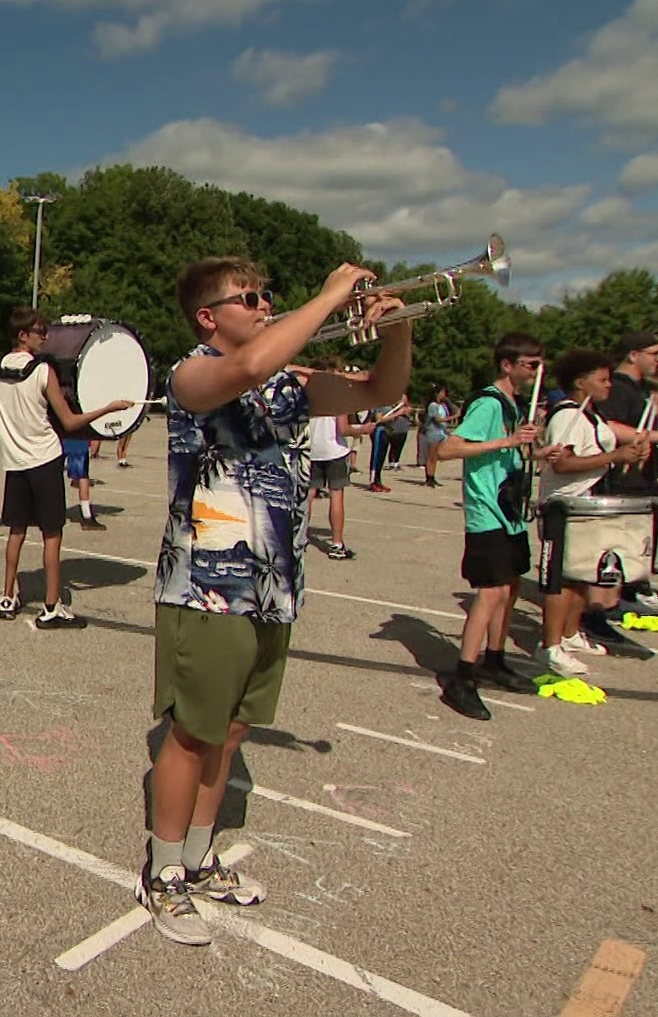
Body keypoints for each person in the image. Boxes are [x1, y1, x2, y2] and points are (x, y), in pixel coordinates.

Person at [142, 257, 411, 945]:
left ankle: (200, 862)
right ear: (209, 316)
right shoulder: (192, 373)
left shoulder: (287, 385)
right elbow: (246, 368)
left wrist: (396, 327)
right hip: (206, 585)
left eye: (269, 297)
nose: (266, 306)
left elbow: (382, 388)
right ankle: (163, 873)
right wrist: (325, 299)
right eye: (252, 298)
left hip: (273, 585)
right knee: (193, 732)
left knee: (231, 730)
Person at [433, 333, 556, 720]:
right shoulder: (487, 403)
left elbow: (511, 453)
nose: (536, 372)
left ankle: (495, 658)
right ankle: (462, 677)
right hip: (488, 510)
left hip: (511, 509)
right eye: (530, 365)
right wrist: (507, 440)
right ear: (508, 364)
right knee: (491, 592)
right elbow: (449, 449)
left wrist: (535, 451)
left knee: (512, 586)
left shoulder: (514, 405)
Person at [0, 309, 131, 629]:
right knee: (52, 534)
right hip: (45, 459)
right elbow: (69, 421)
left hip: (15, 463)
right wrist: (107, 408)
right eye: (39, 331)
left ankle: (7, 596)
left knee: (17, 531)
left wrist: (15, 417)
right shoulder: (42, 371)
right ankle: (51, 607)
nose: (45, 336)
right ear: (23, 335)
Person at [534, 350, 649, 677]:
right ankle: (550, 646)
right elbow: (562, 463)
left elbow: (604, 454)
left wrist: (628, 454)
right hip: (563, 505)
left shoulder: (592, 416)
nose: (609, 385)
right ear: (581, 382)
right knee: (561, 579)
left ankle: (570, 634)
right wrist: (614, 456)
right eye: (602, 379)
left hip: (587, 505)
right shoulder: (567, 416)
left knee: (582, 573)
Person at [593, 331, 658, 611]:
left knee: (636, 546)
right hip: (621, 481)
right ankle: (604, 608)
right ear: (633, 355)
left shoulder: (639, 389)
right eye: (654, 353)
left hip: (641, 480)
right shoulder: (617, 387)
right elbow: (607, 427)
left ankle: (629, 595)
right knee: (618, 546)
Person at [303, 358, 374, 559]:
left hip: (313, 450)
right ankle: (336, 544)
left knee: (308, 496)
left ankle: (300, 538)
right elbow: (343, 429)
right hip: (333, 450)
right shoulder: (337, 396)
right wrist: (361, 429)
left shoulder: (308, 395)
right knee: (336, 496)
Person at [421, 385, 455, 487]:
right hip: (433, 431)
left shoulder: (442, 405)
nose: (444, 395)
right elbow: (437, 419)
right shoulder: (432, 405)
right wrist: (454, 417)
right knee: (431, 455)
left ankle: (433, 476)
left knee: (435, 456)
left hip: (440, 432)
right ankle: (429, 477)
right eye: (443, 392)